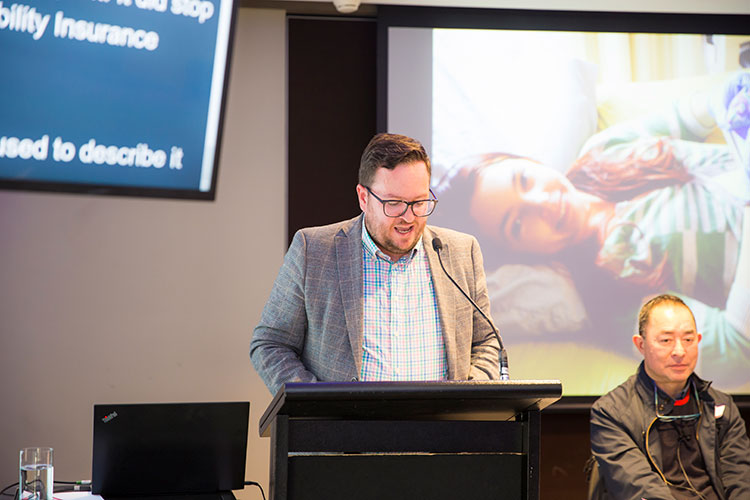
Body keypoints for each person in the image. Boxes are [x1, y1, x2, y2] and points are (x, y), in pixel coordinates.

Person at [431, 71, 750, 390]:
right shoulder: (612, 295)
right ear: (521, 254)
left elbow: (694, 116)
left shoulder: (603, 150)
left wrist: (726, 100)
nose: (542, 203)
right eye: (517, 224)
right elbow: (735, 351)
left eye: (525, 180)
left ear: (532, 162)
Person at [250, 132, 500, 395]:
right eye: (393, 203)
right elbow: (270, 343)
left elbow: (486, 341)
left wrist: (469, 399)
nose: (409, 217)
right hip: (347, 430)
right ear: (363, 197)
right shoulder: (314, 250)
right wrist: (317, 404)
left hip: (444, 430)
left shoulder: (460, 252)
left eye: (419, 202)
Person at [589, 294, 750, 499]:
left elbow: (740, 481)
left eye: (688, 340)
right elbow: (639, 488)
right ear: (641, 345)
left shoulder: (721, 406)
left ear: (698, 341)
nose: (679, 351)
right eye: (666, 340)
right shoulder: (611, 412)